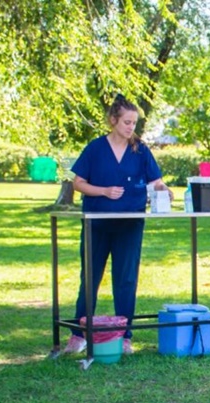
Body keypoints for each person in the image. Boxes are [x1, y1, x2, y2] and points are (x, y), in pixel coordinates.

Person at [63, 95, 173, 355]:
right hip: (97, 225)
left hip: (130, 225)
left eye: (134, 123)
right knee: (89, 278)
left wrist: (164, 190)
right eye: (126, 122)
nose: (130, 127)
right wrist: (103, 191)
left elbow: (156, 181)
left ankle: (125, 336)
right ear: (113, 120)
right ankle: (79, 335)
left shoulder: (141, 150)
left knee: (126, 280)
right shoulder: (95, 148)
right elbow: (78, 183)